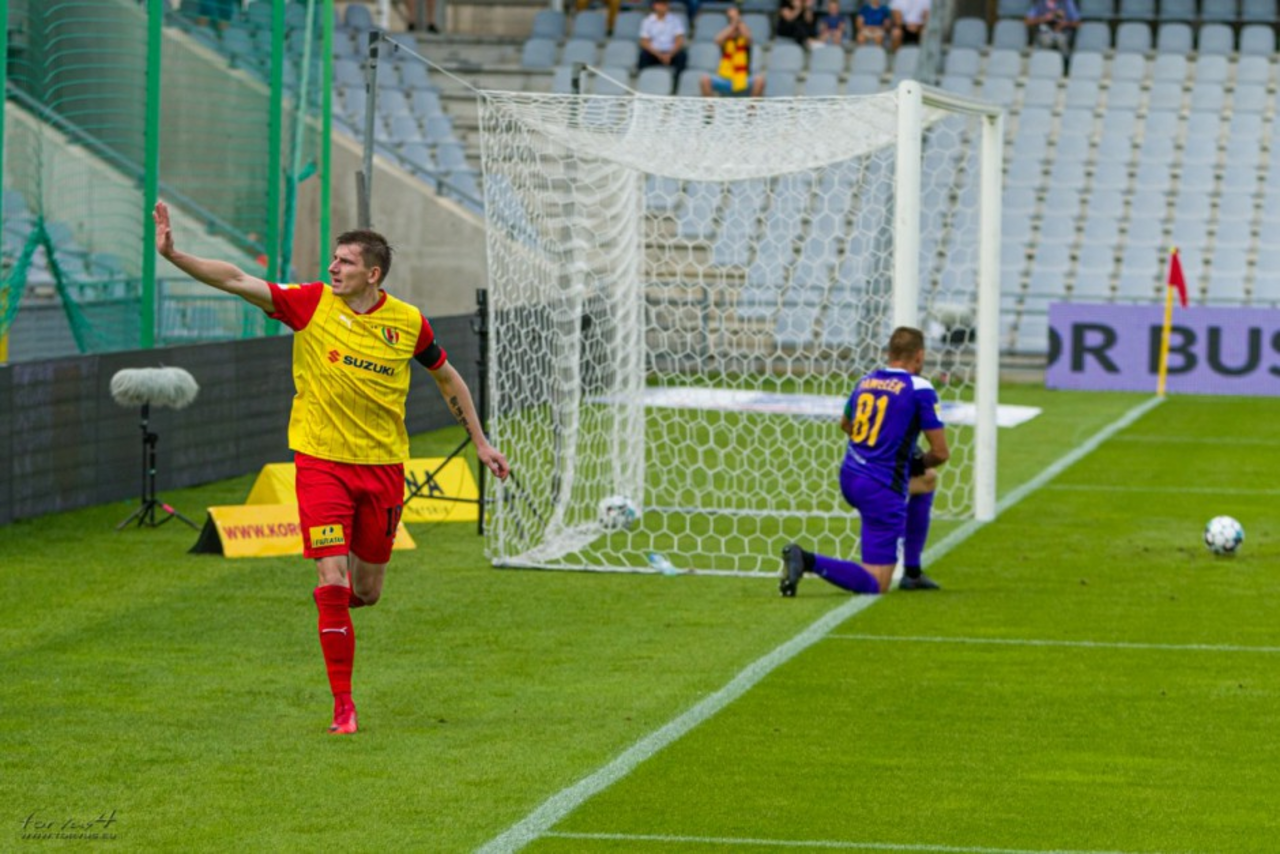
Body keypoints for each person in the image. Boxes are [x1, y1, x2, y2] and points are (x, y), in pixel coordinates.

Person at [153, 202, 510, 735]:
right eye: (333, 259)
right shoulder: (310, 304)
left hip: (383, 468)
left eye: (345, 261)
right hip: (321, 464)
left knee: (367, 591)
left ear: (373, 273)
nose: (333, 267)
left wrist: (480, 441)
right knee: (331, 577)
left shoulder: (408, 322)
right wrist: (175, 255)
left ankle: (335, 610)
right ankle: (344, 707)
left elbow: (447, 377)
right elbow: (236, 279)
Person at [779, 326, 949, 597]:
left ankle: (913, 573)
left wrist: (882, 448)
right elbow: (940, 453)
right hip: (881, 488)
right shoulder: (920, 388)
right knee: (876, 584)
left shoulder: (866, 382)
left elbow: (845, 424)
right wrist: (916, 462)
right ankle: (807, 559)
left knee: (927, 481)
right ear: (919, 356)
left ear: (889, 353)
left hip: (851, 475)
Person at [699, 6, 766, 97]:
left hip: (743, 78)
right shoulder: (726, 40)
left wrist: (737, 20)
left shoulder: (745, 39)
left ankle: (751, 107)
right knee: (704, 80)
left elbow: (748, 37)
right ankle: (712, 107)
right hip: (725, 79)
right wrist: (734, 24)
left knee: (760, 81)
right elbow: (717, 40)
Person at [638, 0, 688, 80]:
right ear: (655, 6)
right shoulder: (647, 21)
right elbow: (644, 42)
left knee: (682, 56)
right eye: (660, 4)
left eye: (665, 4)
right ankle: (643, 80)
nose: (663, 7)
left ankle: (677, 83)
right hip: (654, 53)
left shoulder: (675, 20)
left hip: (671, 52)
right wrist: (659, 55)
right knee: (643, 56)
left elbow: (679, 40)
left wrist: (670, 54)